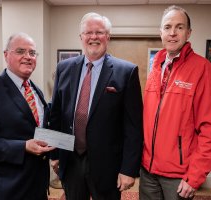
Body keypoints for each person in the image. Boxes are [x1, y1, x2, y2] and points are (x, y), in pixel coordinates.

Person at [50, 12, 143, 200]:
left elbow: (133, 127)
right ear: (81, 37)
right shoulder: (64, 68)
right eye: (88, 32)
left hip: (108, 165)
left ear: (108, 37)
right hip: (71, 160)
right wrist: (55, 153)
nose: (93, 37)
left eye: (99, 32)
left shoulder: (126, 72)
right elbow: (57, 115)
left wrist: (128, 169)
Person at [141, 5, 211, 200]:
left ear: (188, 32)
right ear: (160, 32)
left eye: (179, 27)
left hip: (178, 176)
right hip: (147, 172)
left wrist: (194, 176)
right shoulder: (156, 66)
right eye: (167, 27)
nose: (172, 33)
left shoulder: (202, 69)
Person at [0, 32, 55, 200]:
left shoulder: (37, 91)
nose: (28, 57)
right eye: (21, 51)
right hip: (7, 190)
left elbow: (38, 129)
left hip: (36, 187)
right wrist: (23, 147)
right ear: (6, 55)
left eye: (32, 53)